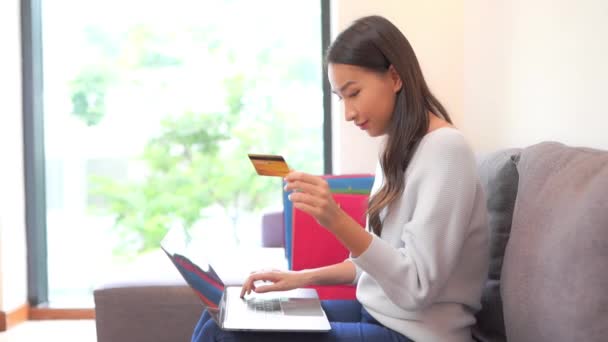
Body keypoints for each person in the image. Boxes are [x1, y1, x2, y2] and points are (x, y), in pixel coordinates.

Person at [192, 15, 489, 342]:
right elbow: (374, 266)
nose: (347, 113)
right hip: (376, 315)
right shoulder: (394, 148)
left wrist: (334, 218)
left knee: (227, 337)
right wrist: (298, 278)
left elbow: (415, 287)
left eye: (354, 92)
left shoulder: (446, 150)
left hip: (418, 334)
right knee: (220, 317)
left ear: (394, 76)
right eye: (340, 97)